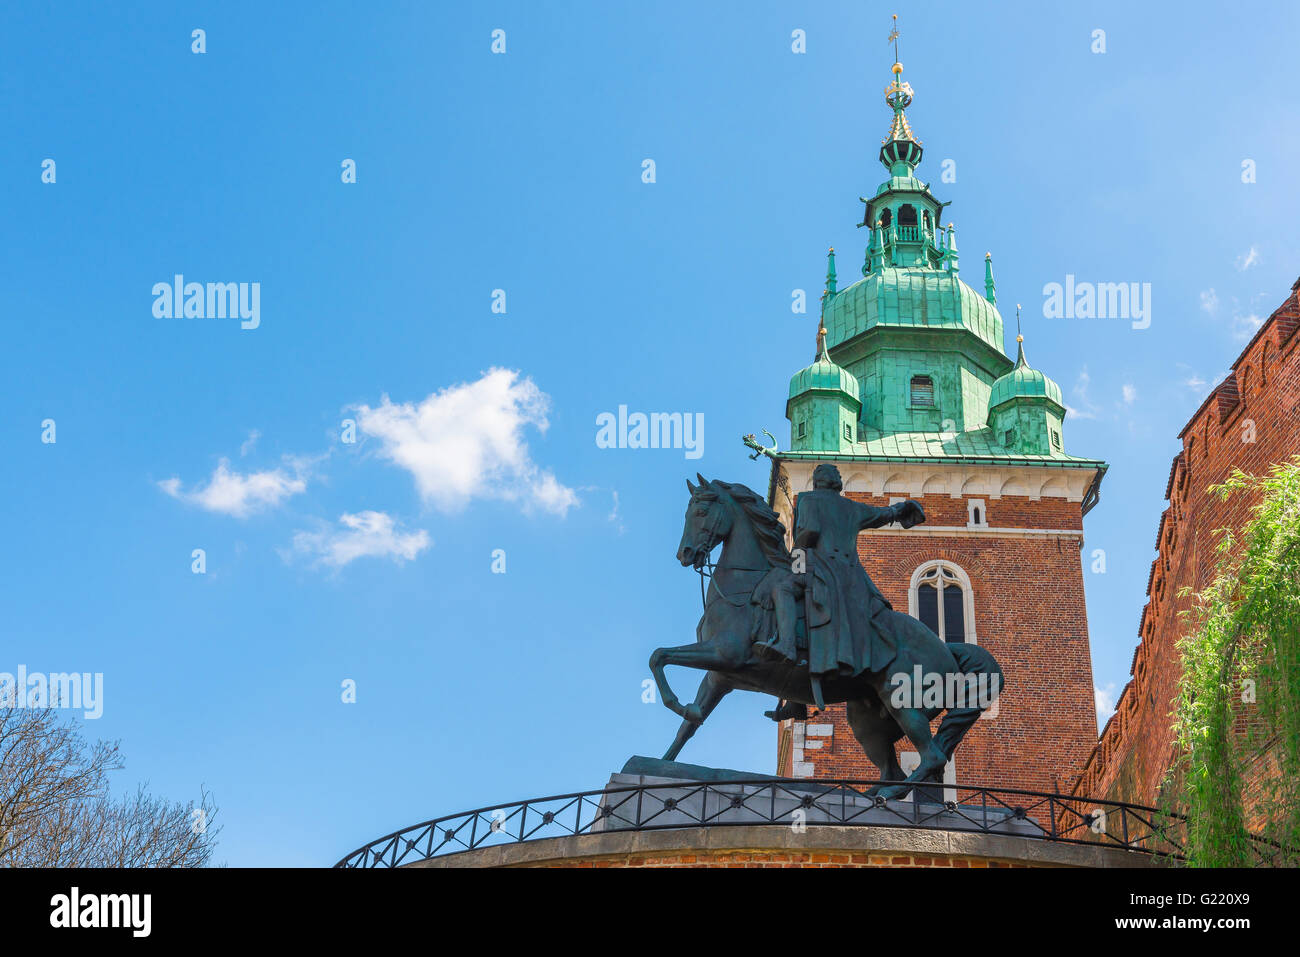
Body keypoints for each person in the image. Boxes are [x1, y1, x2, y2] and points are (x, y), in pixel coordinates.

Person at [756, 463, 924, 709]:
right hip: (851, 576)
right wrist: (901, 508)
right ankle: (796, 698)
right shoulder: (851, 507)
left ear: (817, 481)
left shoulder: (808, 500)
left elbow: (809, 532)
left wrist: (795, 559)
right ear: (837, 483)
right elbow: (881, 515)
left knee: (782, 588)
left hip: (821, 569)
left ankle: (787, 646)